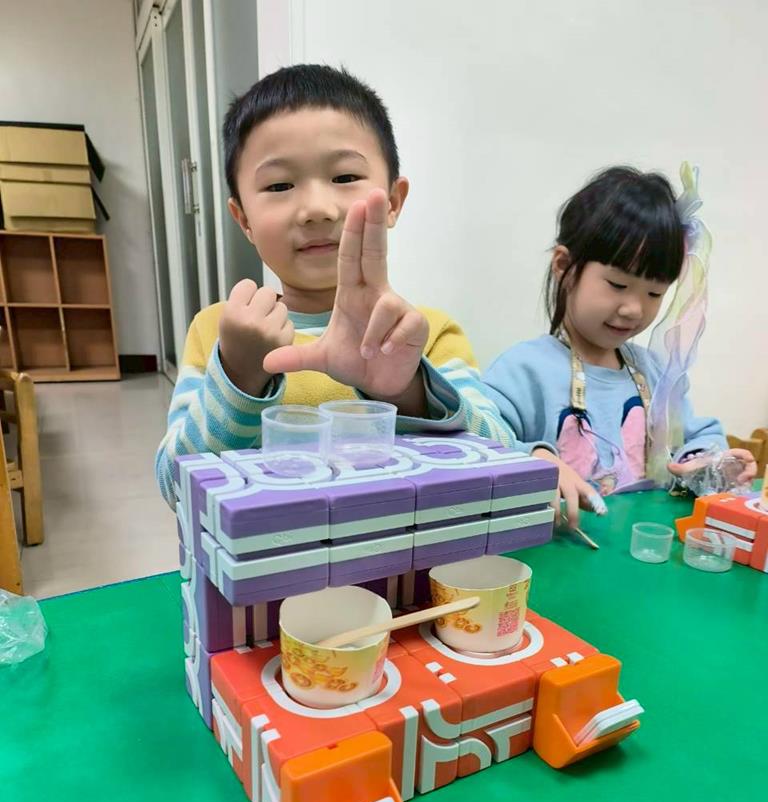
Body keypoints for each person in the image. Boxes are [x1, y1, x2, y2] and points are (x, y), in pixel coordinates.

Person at [155, 63, 511, 506]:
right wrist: (239, 376)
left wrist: (407, 391)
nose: (317, 209)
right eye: (279, 185)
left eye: (344, 177)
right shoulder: (221, 334)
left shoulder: (424, 334)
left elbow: (503, 457)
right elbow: (175, 488)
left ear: (393, 201)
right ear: (244, 219)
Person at [482, 164, 757, 526]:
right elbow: (475, 445)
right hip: (557, 552)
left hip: (643, 554)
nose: (634, 309)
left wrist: (706, 464)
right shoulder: (523, 371)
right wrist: (533, 458)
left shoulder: (655, 372)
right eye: (617, 285)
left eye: (654, 293)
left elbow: (696, 437)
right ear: (564, 266)